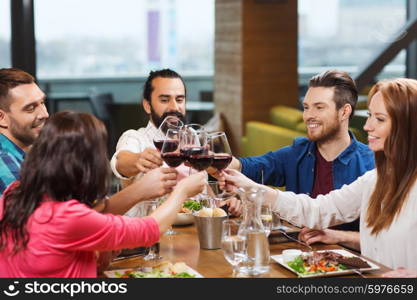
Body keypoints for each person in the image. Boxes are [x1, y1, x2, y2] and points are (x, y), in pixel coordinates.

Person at [222, 78, 417, 276]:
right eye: (369, 116)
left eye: (380, 119)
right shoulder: (374, 179)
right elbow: (318, 209)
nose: (367, 126)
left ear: (408, 126)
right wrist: (249, 187)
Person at [0, 111, 205, 277]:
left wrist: (90, 254)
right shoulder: (66, 217)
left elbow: (89, 215)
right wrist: (182, 190)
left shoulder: (15, 192)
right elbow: (148, 230)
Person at [111, 69, 241, 216]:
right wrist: (138, 160)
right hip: (153, 232)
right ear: (147, 105)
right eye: (164, 100)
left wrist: (222, 203)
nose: (174, 107)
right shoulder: (134, 138)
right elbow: (120, 162)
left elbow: (202, 187)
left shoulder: (190, 136)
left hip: (193, 229)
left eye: (179, 100)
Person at [0, 68, 49, 193]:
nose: (44, 114)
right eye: (30, 108)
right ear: (1, 118)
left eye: (42, 102)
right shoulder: (7, 169)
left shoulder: (28, 150)